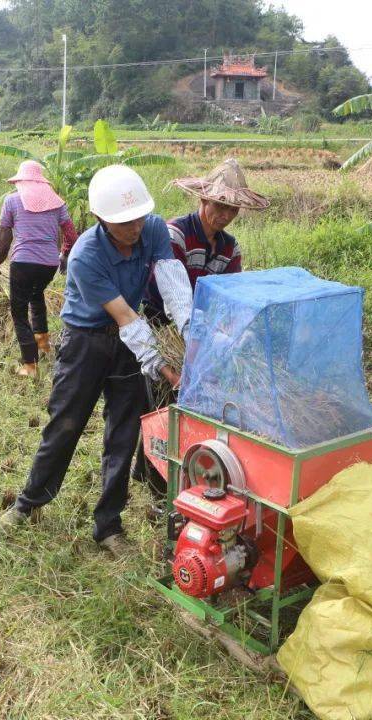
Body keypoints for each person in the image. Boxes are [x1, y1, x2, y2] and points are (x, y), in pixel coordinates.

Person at [0, 165, 193, 557]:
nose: (134, 228)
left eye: (138, 217)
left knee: (122, 433)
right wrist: (165, 367)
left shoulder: (152, 228)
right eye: (124, 223)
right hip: (84, 343)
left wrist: (192, 336)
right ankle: (29, 503)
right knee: (65, 424)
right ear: (102, 219)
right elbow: (125, 317)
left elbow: (173, 284)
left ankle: (108, 526)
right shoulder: (86, 254)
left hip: (125, 347)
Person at [134, 158, 271, 504]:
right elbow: (171, 293)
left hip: (204, 333)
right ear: (203, 200)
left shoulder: (229, 247)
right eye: (219, 206)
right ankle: (155, 485)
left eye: (231, 209)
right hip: (163, 327)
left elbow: (231, 293)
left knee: (182, 405)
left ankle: (154, 467)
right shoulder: (175, 234)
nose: (224, 215)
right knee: (162, 403)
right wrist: (193, 334)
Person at [0, 160, 79, 376]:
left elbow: (4, 237)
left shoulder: (11, 201)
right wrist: (64, 254)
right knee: (36, 295)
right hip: (49, 264)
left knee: (19, 312)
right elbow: (71, 235)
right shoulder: (58, 203)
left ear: (21, 181)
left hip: (23, 264)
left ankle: (30, 365)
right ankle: (42, 341)